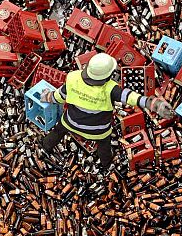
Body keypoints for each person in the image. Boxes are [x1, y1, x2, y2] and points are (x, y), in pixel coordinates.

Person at [40, 53, 174, 171]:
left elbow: (59, 97)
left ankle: (45, 147)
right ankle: (107, 164)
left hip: (71, 122)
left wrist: (47, 96)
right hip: (98, 131)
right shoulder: (111, 89)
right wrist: (152, 103)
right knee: (104, 146)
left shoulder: (73, 77)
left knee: (58, 131)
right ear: (108, 75)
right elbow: (130, 97)